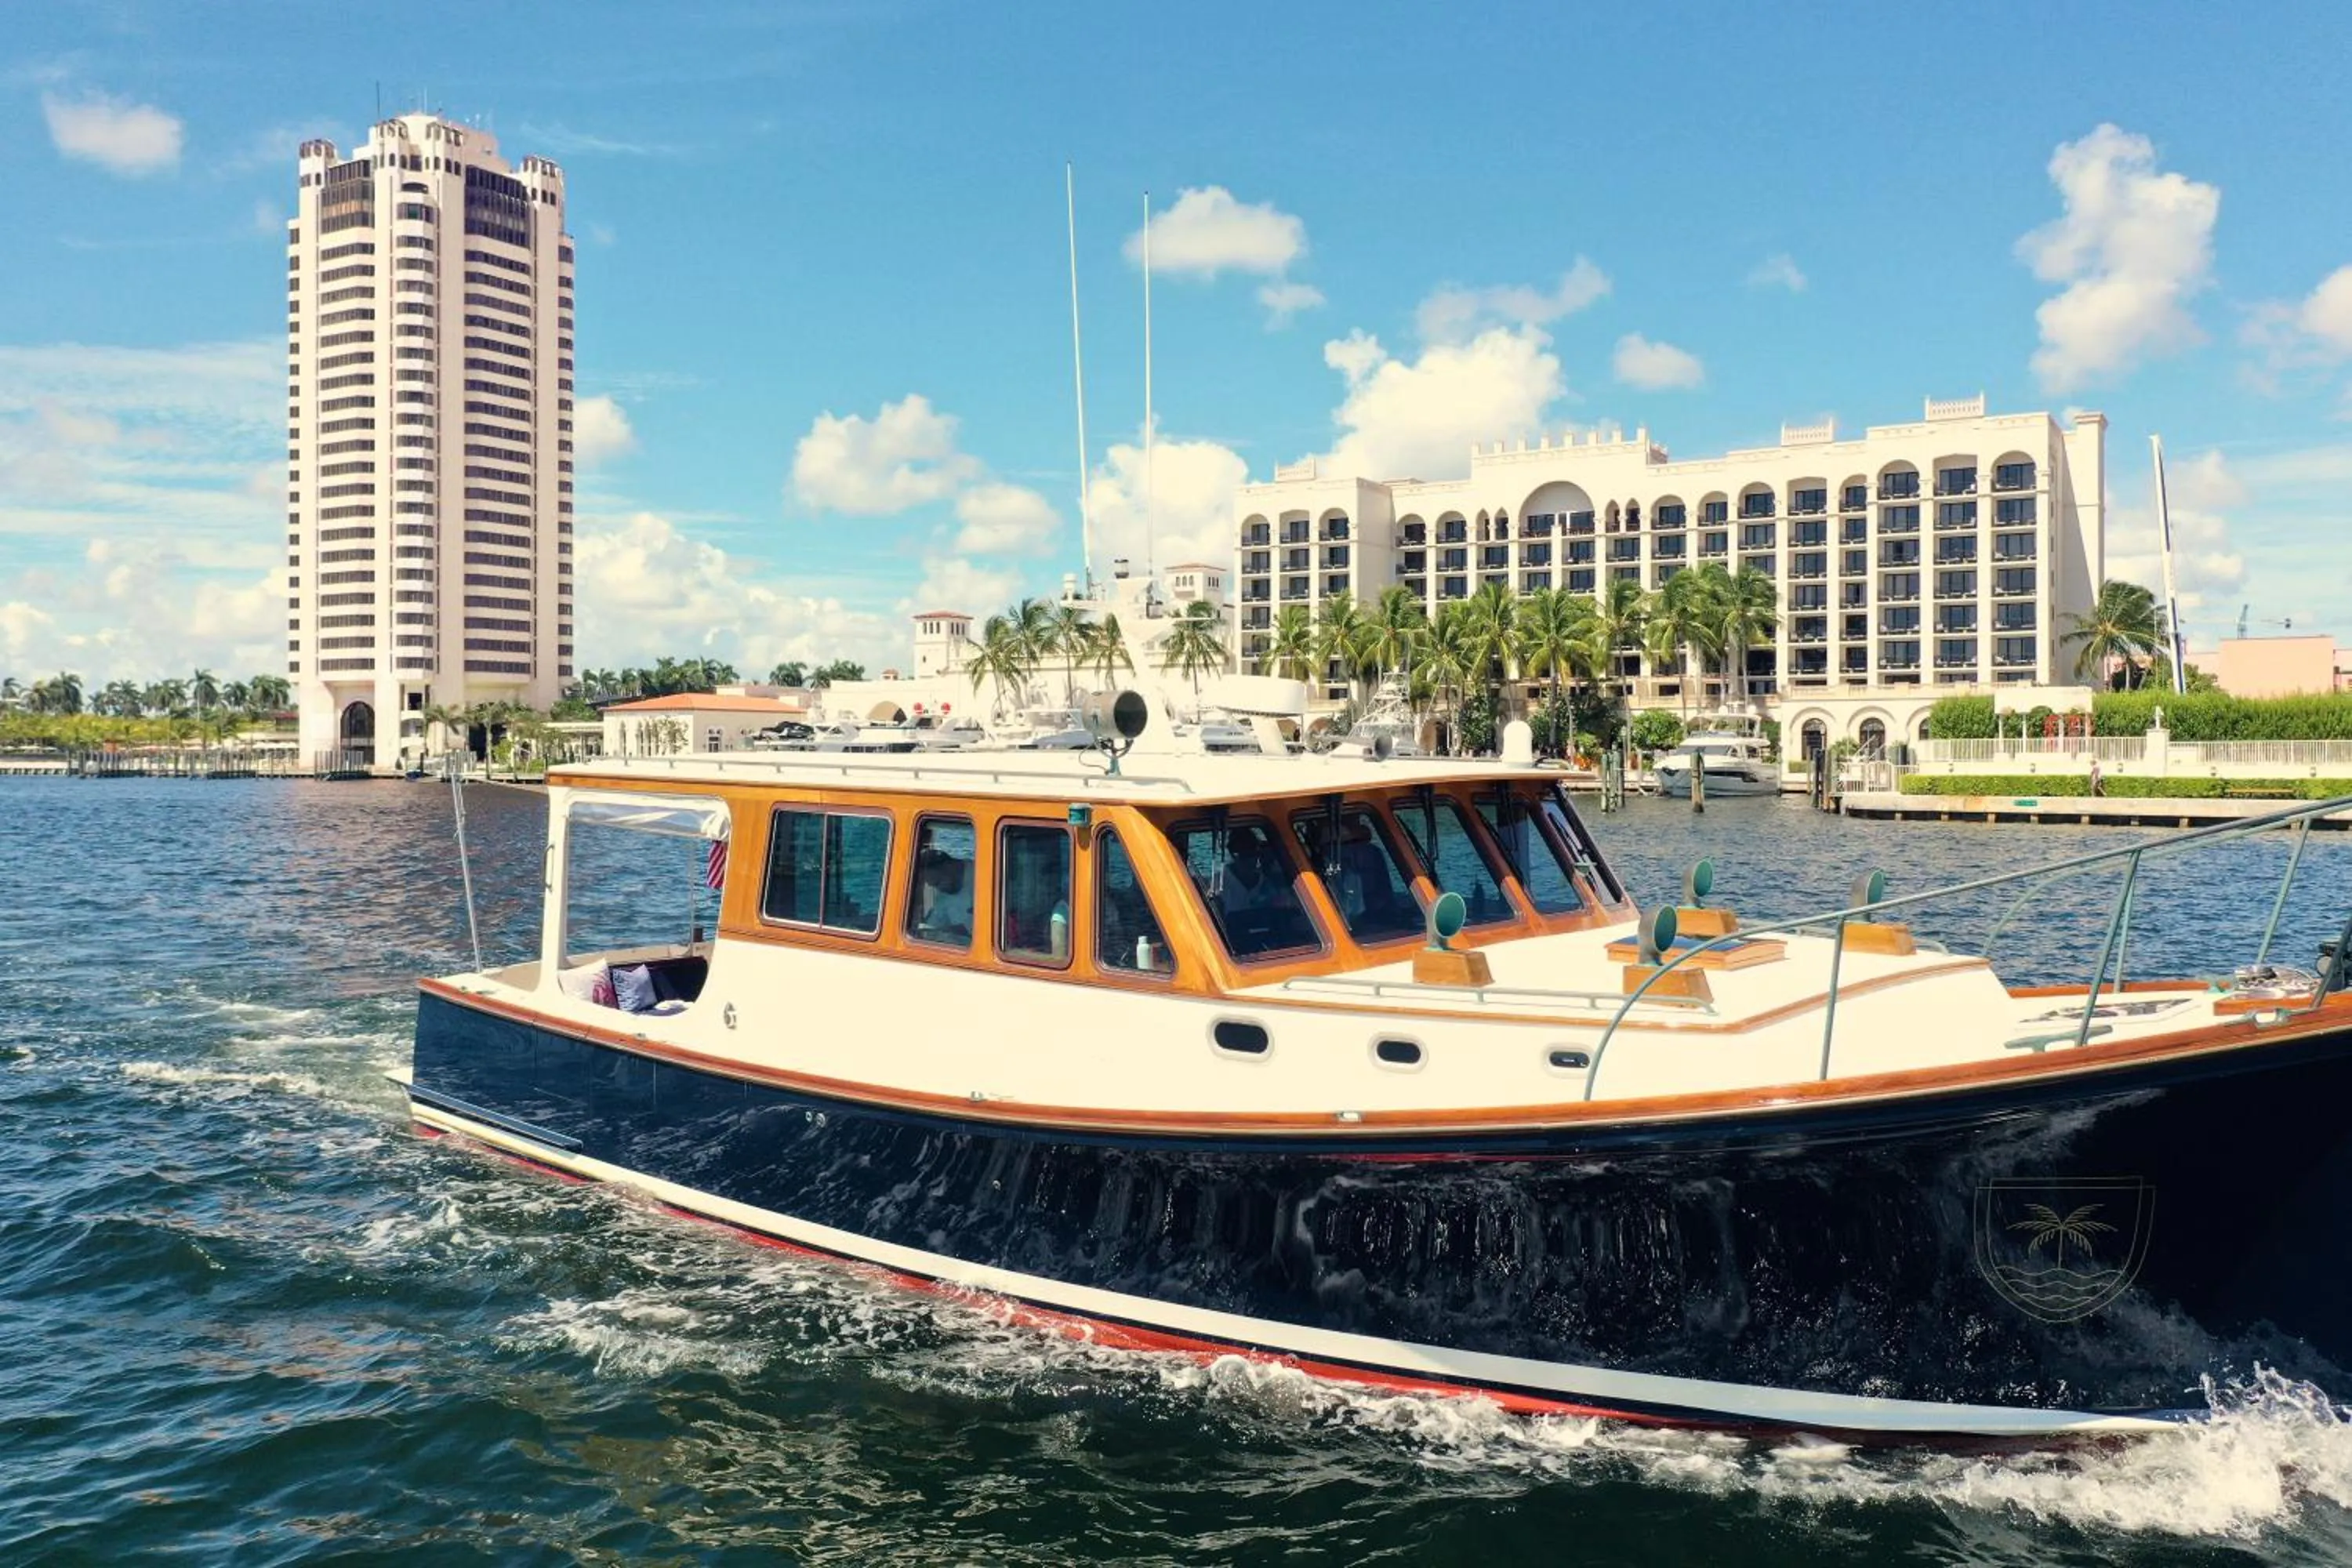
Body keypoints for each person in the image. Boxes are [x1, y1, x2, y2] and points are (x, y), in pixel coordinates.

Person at [913, 848, 971, 942]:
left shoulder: (983, 877)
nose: (939, 889)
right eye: (934, 886)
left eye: (938, 883)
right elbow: (934, 925)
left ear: (950, 866)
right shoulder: (943, 894)